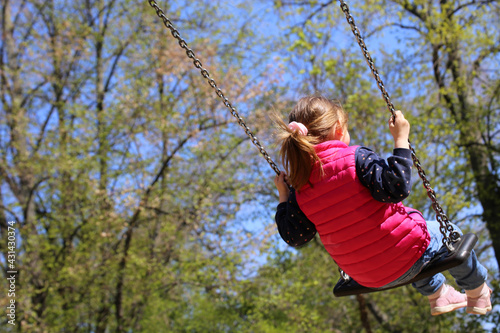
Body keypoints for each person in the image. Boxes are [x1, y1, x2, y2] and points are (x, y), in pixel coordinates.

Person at [273, 95, 492, 316]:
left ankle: (439, 295)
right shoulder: (355, 157)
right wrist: (401, 139)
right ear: (339, 128)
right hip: (405, 253)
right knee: (450, 235)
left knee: (406, 246)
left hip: (366, 276)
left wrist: (284, 195)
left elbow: (294, 236)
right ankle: (477, 293)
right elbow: (397, 187)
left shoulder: (301, 187)